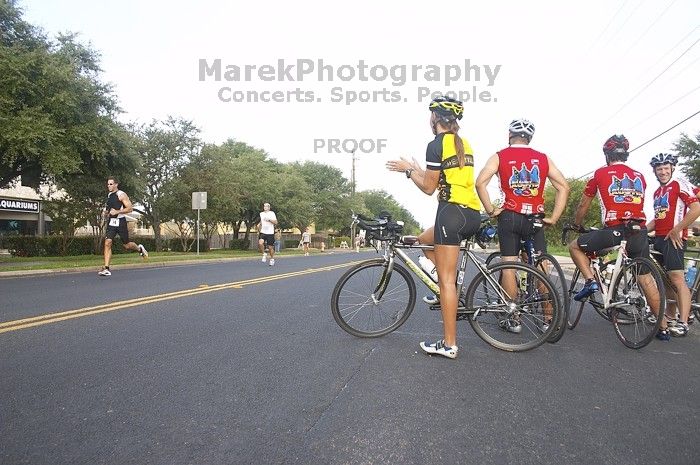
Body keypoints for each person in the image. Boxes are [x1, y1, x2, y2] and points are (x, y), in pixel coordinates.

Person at [386, 95, 482, 359]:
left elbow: (429, 188)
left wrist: (407, 171)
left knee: (447, 281)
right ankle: (443, 290)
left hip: (451, 214)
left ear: (435, 118)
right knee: (421, 240)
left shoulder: (436, 143)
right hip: (471, 213)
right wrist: (417, 169)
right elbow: (441, 177)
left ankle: (449, 344)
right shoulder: (463, 143)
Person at [567, 135, 669, 340]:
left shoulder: (600, 173)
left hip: (615, 230)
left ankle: (590, 282)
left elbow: (583, 205)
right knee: (645, 277)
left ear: (607, 155)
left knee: (574, 247)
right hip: (639, 231)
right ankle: (663, 327)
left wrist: (577, 225)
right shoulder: (639, 176)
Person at [474, 118, 570, 332]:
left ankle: (513, 318)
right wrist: (554, 217)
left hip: (510, 216)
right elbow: (563, 186)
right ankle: (548, 319)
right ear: (530, 138)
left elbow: (480, 183)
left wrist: (491, 210)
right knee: (540, 267)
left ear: (510, 135)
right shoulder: (543, 158)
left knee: (509, 266)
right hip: (535, 218)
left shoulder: (499, 156)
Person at [646, 153, 700, 337]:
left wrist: (678, 229)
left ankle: (684, 322)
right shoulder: (657, 192)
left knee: (677, 279)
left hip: (674, 239)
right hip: (659, 239)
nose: (663, 172)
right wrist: (642, 231)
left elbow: (696, 208)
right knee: (666, 280)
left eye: (666, 168)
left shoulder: (678, 183)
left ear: (672, 169)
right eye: (659, 169)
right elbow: (658, 219)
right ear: (655, 171)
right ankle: (669, 315)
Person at [99, 176, 148, 277]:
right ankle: (106, 268)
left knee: (126, 245)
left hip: (121, 222)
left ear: (116, 184)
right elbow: (109, 210)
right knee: (108, 242)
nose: (109, 186)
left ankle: (139, 249)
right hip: (111, 222)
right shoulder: (109, 195)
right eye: (108, 184)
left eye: (111, 184)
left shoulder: (121, 194)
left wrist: (117, 211)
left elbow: (130, 208)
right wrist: (106, 212)